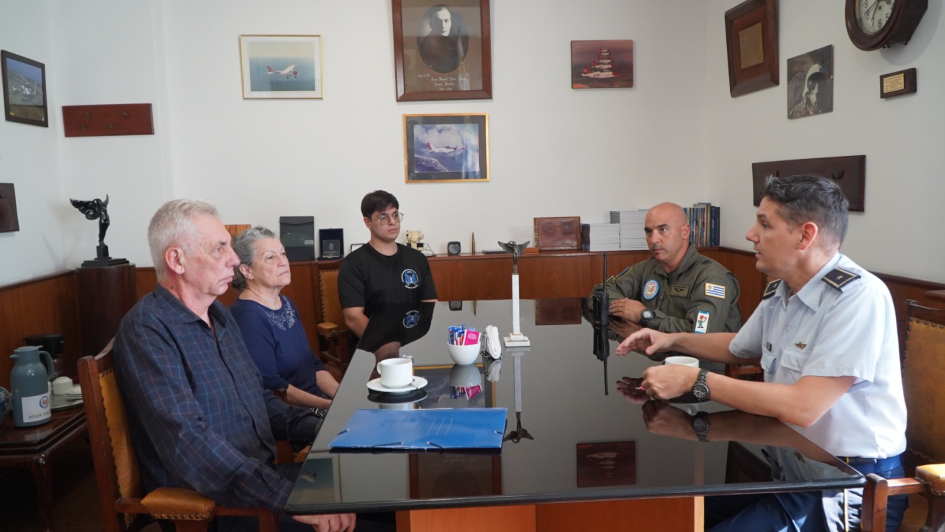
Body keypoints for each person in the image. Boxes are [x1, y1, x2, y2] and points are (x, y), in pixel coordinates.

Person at [616, 175, 907, 531]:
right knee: (671, 515)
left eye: (764, 224)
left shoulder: (857, 298)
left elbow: (803, 407)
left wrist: (697, 380)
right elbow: (738, 347)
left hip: (849, 485)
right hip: (791, 470)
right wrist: (669, 340)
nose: (750, 234)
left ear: (805, 235)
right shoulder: (782, 290)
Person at [113, 200, 358, 532]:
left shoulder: (221, 315)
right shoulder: (147, 329)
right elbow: (189, 442)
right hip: (214, 507)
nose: (232, 259)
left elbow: (260, 400)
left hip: (258, 482)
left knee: (382, 494)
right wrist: (290, 497)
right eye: (219, 249)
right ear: (177, 260)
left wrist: (325, 425)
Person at [594, 202, 742, 343]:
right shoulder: (648, 267)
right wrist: (625, 310)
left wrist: (644, 316)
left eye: (662, 230)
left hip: (703, 365)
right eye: (648, 232)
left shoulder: (711, 277)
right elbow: (600, 293)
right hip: (659, 355)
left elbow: (699, 335)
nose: (653, 239)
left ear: (684, 231)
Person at [230, 226, 339, 415]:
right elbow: (274, 388)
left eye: (283, 254)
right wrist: (329, 406)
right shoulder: (248, 317)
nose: (283, 262)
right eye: (271, 257)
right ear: (247, 271)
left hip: (318, 401)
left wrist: (341, 397)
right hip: (291, 415)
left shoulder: (286, 303)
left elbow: (311, 363)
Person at [338, 190, 437, 338]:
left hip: (416, 342)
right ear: (367, 222)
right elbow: (353, 318)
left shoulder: (417, 258)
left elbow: (431, 306)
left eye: (395, 215)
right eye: (383, 217)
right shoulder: (353, 264)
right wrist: (388, 348)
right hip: (375, 348)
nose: (392, 222)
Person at [417, 4, 466, 74]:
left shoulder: (455, 43)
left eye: (446, 21)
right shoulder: (424, 46)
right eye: (438, 21)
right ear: (431, 24)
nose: (443, 25)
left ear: (450, 23)